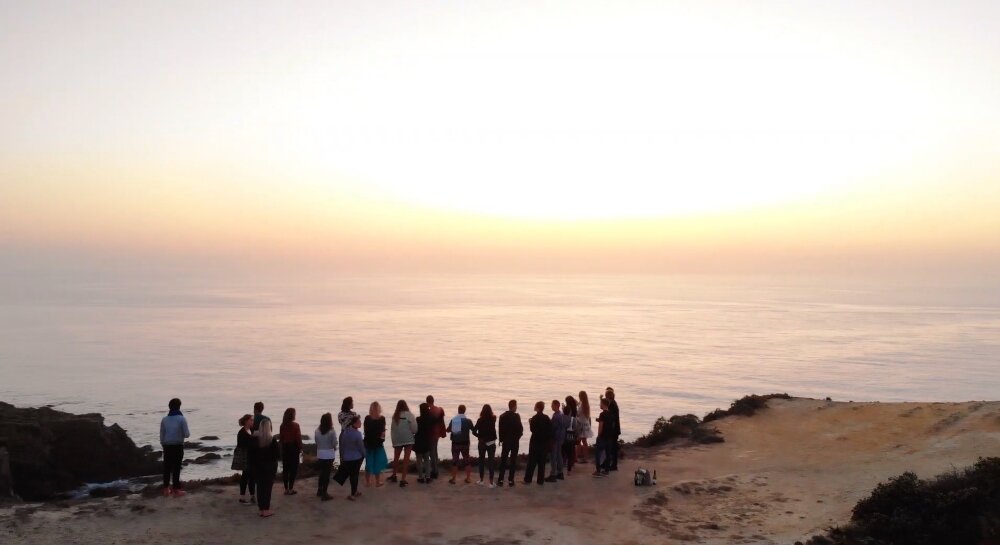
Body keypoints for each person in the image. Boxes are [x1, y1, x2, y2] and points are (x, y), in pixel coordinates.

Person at [159, 397, 190, 497]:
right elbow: (187, 434)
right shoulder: (182, 419)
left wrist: (163, 444)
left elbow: (162, 434)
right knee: (176, 467)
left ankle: (165, 489)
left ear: (170, 407)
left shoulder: (164, 419)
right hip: (177, 445)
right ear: (179, 407)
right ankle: (176, 490)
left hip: (167, 445)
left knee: (167, 468)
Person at [251, 418, 281, 517]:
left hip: (257, 467)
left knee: (260, 488)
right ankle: (266, 510)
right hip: (270, 467)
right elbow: (277, 455)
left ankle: (261, 509)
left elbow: (251, 454)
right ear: (269, 427)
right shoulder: (272, 440)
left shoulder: (255, 440)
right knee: (267, 489)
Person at [334, 415, 365, 501]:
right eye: (359, 422)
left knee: (352, 475)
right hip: (356, 458)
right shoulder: (357, 434)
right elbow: (361, 447)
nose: (360, 423)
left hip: (347, 458)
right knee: (354, 476)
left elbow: (342, 445)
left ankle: (355, 491)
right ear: (354, 423)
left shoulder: (345, 432)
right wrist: (365, 455)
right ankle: (353, 494)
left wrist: (342, 457)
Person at [389, 399, 417, 487]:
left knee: (396, 458)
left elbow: (392, 429)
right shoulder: (410, 415)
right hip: (408, 439)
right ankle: (403, 479)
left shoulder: (395, 416)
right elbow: (414, 429)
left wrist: (394, 441)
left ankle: (394, 475)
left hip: (397, 439)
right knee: (406, 459)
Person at [523, 401, 552, 486]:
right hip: (544, 443)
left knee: (531, 462)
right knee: (542, 463)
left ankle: (528, 479)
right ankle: (540, 480)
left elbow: (532, 429)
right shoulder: (546, 418)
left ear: (538, 408)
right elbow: (550, 430)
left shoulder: (534, 418)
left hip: (535, 442)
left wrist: (530, 422)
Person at [497, 399, 523, 488]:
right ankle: (511, 480)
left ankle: (500, 479)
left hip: (506, 441)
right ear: (514, 406)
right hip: (515, 442)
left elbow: (500, 429)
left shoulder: (502, 416)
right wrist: (518, 437)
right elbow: (520, 429)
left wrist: (501, 439)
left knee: (503, 460)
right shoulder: (517, 416)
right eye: (516, 406)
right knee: (513, 460)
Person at [472, 404, 498, 488]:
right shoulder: (493, 418)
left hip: (482, 443)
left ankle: (481, 480)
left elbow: (474, 431)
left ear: (482, 411)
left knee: (481, 461)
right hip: (491, 443)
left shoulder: (480, 420)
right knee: (491, 462)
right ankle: (491, 483)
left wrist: (479, 437)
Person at [363, 401, 388, 487]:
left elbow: (365, 431)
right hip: (378, 444)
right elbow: (383, 432)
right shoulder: (382, 419)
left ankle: (367, 482)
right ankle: (377, 482)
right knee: (378, 462)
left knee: (368, 463)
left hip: (368, 443)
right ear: (379, 409)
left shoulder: (367, 418)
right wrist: (382, 440)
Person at [314, 412, 338, 501]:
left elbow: (316, 442)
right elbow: (334, 443)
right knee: (326, 474)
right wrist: (334, 447)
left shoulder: (317, 431)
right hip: (329, 454)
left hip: (320, 453)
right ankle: (325, 493)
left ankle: (319, 490)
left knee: (322, 473)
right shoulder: (332, 431)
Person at [279, 408, 303, 495]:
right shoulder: (296, 425)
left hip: (285, 447)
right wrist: (300, 447)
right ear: (292, 415)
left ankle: (286, 489)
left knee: (285, 469)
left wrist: (281, 449)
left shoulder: (282, 426)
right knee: (293, 469)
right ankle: (291, 488)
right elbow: (298, 438)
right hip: (294, 448)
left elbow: (281, 439)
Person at [448, 404, 474, 484]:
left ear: (458, 410)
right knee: (467, 461)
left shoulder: (454, 420)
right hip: (465, 443)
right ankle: (468, 478)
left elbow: (448, 430)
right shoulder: (468, 421)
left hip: (455, 443)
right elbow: (473, 430)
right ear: (464, 411)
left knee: (455, 461)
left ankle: (453, 479)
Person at [235, 414, 256, 504]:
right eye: (251, 420)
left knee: (252, 476)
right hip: (245, 457)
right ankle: (242, 497)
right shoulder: (242, 433)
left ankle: (252, 496)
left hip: (252, 457)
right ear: (246, 421)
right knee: (245, 476)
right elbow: (242, 446)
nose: (252, 421)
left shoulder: (252, 430)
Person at [546, 400, 567, 482]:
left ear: (556, 406)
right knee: (559, 455)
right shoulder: (561, 415)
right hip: (561, 438)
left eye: (552, 405)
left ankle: (553, 474)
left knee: (553, 456)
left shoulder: (556, 416)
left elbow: (553, 428)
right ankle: (560, 472)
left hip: (555, 438)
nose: (551, 406)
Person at [426, 395, 446, 479]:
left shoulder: (429, 411)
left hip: (432, 433)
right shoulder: (439, 410)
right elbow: (442, 422)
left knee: (432, 453)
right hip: (438, 433)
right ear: (433, 401)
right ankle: (436, 469)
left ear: (427, 402)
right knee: (435, 451)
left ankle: (435, 471)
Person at [414, 402, 432, 484]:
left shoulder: (418, 419)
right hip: (427, 441)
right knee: (427, 460)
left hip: (418, 441)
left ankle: (420, 477)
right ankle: (428, 477)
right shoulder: (430, 420)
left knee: (419, 460)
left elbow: (415, 430)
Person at [593, 397, 611, 477]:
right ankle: (606, 470)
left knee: (598, 454)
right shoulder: (611, 414)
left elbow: (601, 425)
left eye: (600, 403)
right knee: (607, 454)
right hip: (609, 437)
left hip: (602, 437)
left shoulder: (602, 414)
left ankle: (598, 471)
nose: (599, 405)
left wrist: (598, 435)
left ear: (603, 404)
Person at [605, 388, 621, 471]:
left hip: (613, 430)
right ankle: (612, 464)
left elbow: (612, 418)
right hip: (615, 430)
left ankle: (614, 465)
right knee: (612, 447)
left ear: (608, 397)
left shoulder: (612, 405)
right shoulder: (613, 403)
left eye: (606, 396)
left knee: (613, 448)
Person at [576, 390, 593, 462]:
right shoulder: (585, 404)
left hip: (582, 425)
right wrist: (577, 403)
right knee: (583, 441)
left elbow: (578, 413)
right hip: (585, 424)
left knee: (579, 441)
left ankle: (578, 457)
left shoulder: (583, 405)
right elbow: (579, 405)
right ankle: (584, 457)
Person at [562, 404, 578, 475]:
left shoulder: (561, 418)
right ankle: (569, 471)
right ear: (570, 412)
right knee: (570, 455)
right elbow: (575, 429)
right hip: (570, 439)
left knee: (561, 453)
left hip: (562, 438)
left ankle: (560, 468)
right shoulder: (573, 419)